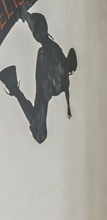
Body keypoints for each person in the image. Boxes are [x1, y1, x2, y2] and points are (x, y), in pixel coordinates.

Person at [0, 11, 77, 144]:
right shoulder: (57, 54)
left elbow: (66, 95)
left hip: (44, 90)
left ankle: (11, 83)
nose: (68, 73)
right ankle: (12, 84)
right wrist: (26, 16)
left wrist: (69, 108)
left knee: (40, 134)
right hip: (45, 87)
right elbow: (43, 37)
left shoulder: (65, 79)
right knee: (40, 134)